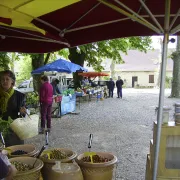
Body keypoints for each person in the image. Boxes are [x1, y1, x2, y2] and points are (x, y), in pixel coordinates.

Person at [0, 70, 26, 146]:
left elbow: (23, 115)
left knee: (17, 153)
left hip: (15, 131)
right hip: (1, 131)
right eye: (2, 79)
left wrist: (22, 111)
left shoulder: (20, 96)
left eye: (7, 79)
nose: (4, 81)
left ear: (12, 81)